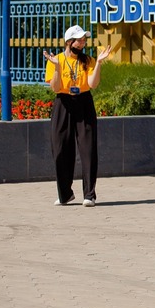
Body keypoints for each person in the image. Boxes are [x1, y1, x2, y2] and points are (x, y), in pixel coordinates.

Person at [43, 25, 110, 207]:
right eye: (79, 40)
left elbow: (92, 84)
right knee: (60, 148)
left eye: (84, 40)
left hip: (84, 102)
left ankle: (89, 194)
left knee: (88, 148)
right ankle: (65, 194)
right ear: (69, 42)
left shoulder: (87, 60)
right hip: (63, 103)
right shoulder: (55, 60)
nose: (82, 43)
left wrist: (99, 64)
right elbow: (56, 88)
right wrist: (57, 68)